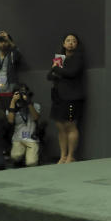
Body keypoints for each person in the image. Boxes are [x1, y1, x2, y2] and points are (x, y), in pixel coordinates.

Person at [47, 33, 85, 164]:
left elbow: (72, 73)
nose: (70, 43)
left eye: (74, 41)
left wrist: (57, 69)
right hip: (58, 97)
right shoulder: (60, 58)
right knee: (61, 127)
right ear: (63, 44)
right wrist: (55, 70)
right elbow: (50, 76)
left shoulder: (78, 58)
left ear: (77, 45)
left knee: (70, 126)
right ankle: (62, 156)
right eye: (68, 41)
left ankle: (71, 156)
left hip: (72, 97)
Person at [7, 84, 41, 167]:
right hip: (18, 138)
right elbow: (10, 121)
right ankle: (22, 158)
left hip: (31, 138)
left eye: (24, 92)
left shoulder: (35, 105)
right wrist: (13, 101)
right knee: (15, 156)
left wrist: (28, 102)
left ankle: (32, 155)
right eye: (19, 93)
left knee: (31, 163)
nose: (22, 95)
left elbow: (36, 118)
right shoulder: (12, 107)